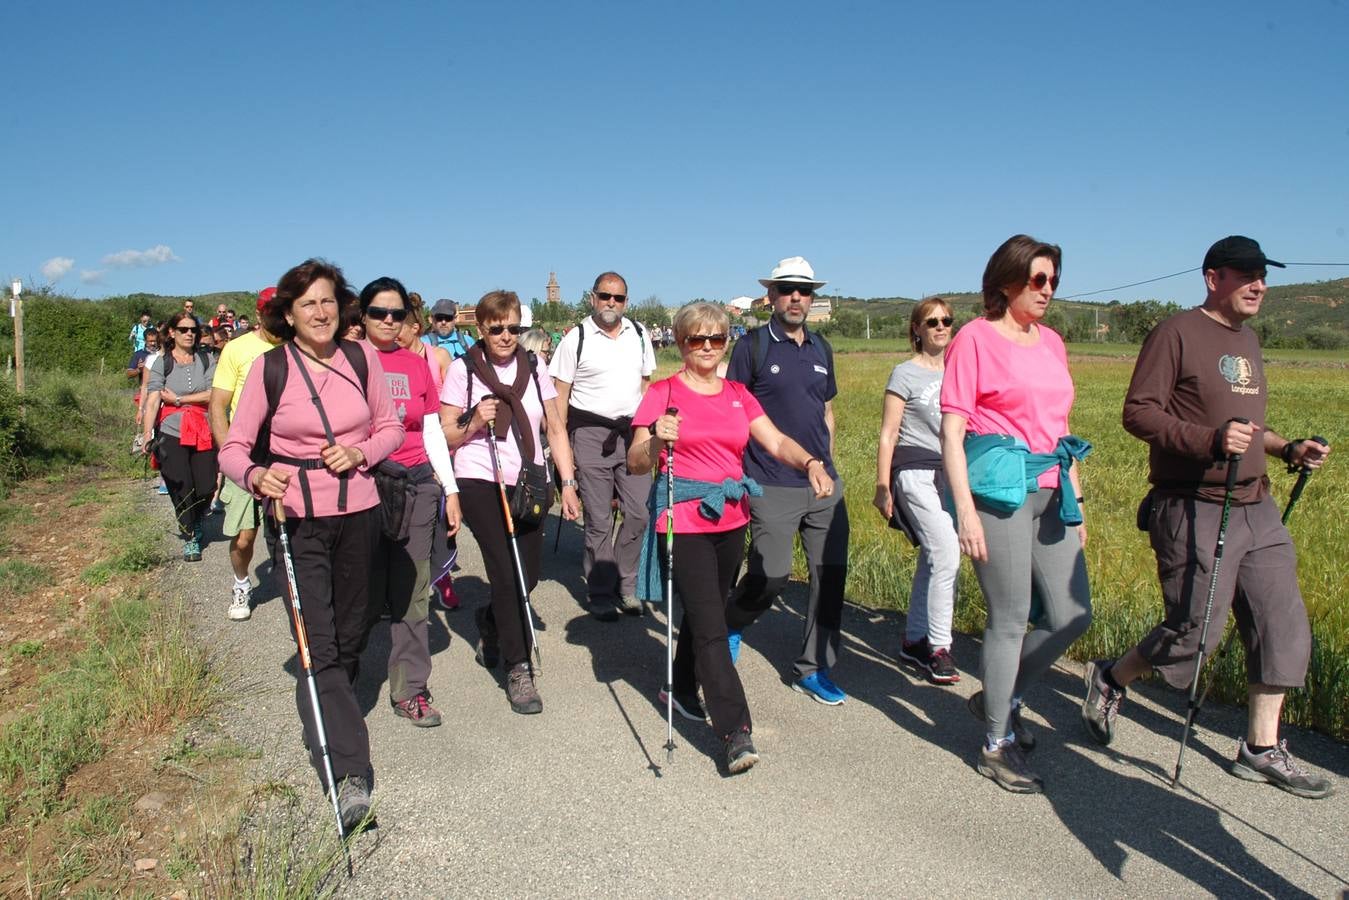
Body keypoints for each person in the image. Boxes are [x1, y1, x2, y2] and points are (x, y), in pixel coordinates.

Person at [1081, 235, 1333, 799]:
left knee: (1281, 621)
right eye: (1247, 275)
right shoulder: (1175, 332)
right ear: (1212, 277)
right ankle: (1111, 676)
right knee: (1193, 630)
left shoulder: (1249, 342)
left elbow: (1246, 427)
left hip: (1256, 505)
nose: (1259, 285)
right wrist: (1209, 440)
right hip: (1192, 503)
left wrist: (1286, 447)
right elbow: (1138, 413)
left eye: (1263, 275)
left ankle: (1260, 748)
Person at [219, 258, 402, 830]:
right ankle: (349, 775)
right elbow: (234, 447)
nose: (320, 312)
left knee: (353, 630)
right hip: (297, 519)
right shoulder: (270, 370)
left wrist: (361, 453)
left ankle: (331, 697)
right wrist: (255, 477)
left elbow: (391, 427)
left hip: (362, 513)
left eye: (327, 301)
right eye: (307, 305)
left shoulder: (360, 356)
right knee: (317, 642)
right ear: (288, 315)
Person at [629, 302, 833, 774]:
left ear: (726, 343)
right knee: (713, 626)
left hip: (732, 517)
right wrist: (658, 438)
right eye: (695, 339)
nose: (705, 347)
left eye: (715, 339)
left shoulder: (739, 394)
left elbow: (776, 441)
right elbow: (636, 462)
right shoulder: (663, 393)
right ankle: (735, 730)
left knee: (709, 616)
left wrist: (810, 463)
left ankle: (679, 689)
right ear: (679, 343)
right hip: (684, 519)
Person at [941, 234, 1091, 794]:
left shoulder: (1052, 342)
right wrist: (965, 513)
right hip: (999, 495)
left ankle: (998, 698)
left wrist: (1076, 500)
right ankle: (996, 745)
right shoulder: (974, 340)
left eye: (1053, 280)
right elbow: (953, 433)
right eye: (1037, 279)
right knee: (1009, 616)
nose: (1047, 289)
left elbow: (1061, 428)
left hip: (1053, 487)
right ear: (1006, 282)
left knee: (1073, 614)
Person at [439, 290, 580, 715]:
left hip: (531, 478)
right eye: (496, 328)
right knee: (505, 570)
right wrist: (474, 420)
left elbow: (555, 427)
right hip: (481, 478)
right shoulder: (463, 372)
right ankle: (519, 669)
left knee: (529, 574)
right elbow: (445, 434)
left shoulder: (536, 367)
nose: (505, 336)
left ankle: (491, 620)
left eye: (513, 328)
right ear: (480, 329)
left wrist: (568, 482)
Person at [725, 257, 849, 705]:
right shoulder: (753, 346)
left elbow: (827, 413)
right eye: (787, 289)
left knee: (829, 577)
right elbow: (733, 411)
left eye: (804, 290)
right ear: (772, 296)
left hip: (822, 485)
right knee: (771, 574)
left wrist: (827, 465)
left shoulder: (822, 349)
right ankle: (732, 621)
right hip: (770, 479)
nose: (796, 297)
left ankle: (812, 668)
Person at [359, 276, 462, 728]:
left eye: (396, 313)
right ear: (361, 316)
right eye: (379, 312)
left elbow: (432, 428)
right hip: (362, 482)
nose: (388, 321)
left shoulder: (417, 364)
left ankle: (410, 689)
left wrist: (450, 487)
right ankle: (341, 681)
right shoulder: (346, 361)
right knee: (357, 588)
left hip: (417, 482)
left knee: (413, 589)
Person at [550, 272, 656, 620]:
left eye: (619, 298)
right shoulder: (576, 339)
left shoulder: (639, 335)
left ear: (627, 301)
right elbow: (559, 398)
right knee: (597, 519)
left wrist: (649, 434)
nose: (612, 303)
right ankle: (600, 591)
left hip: (633, 435)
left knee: (639, 513)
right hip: (591, 435)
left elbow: (645, 387)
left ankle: (627, 585)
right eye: (605, 296)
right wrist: (561, 448)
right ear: (592, 298)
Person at [874, 297, 961, 684]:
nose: (940, 327)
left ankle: (913, 640)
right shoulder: (905, 373)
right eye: (931, 322)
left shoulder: (961, 371)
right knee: (947, 550)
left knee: (933, 553)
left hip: (949, 473)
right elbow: (888, 433)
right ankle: (939, 647)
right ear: (917, 330)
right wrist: (882, 485)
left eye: (946, 320)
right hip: (913, 471)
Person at [209, 287, 283, 621]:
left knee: (290, 529)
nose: (277, 316)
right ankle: (241, 583)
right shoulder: (237, 349)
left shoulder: (297, 347)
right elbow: (218, 404)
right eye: (270, 311)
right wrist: (229, 454)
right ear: (258, 314)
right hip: (247, 452)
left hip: (285, 450)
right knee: (244, 537)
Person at [143, 314, 219, 561]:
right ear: (172, 332)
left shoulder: (207, 359)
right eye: (184, 329)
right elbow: (154, 398)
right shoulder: (161, 363)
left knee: (207, 484)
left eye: (193, 330)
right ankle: (190, 534)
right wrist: (146, 434)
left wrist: (179, 399)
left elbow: (212, 395)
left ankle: (196, 517)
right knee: (180, 482)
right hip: (172, 429)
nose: (189, 334)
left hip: (203, 428)